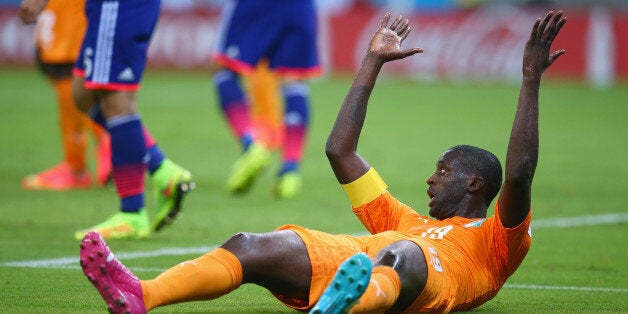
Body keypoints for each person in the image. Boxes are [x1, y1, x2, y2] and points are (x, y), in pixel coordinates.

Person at [78, 10, 566, 313]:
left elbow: (520, 171)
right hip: (358, 260)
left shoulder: (497, 241)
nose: (429, 180)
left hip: (425, 277)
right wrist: (371, 62)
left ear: (476, 184)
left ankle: (346, 303)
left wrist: (529, 80)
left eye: (443, 171)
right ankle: (144, 295)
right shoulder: (403, 219)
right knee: (250, 245)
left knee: (399, 257)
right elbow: (340, 152)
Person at [19, 0, 195, 240]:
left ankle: (132, 212)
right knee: (82, 92)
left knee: (115, 98)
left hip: (118, 6)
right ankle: (162, 170)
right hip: (105, 8)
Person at [211, 0, 321, 199]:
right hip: (300, 7)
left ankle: (251, 146)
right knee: (293, 81)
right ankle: (290, 171)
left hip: (260, 5)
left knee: (225, 71)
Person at [19, 0, 111, 191]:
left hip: (69, 16)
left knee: (67, 69)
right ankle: (108, 142)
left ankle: (77, 165)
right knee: (64, 70)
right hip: (65, 14)